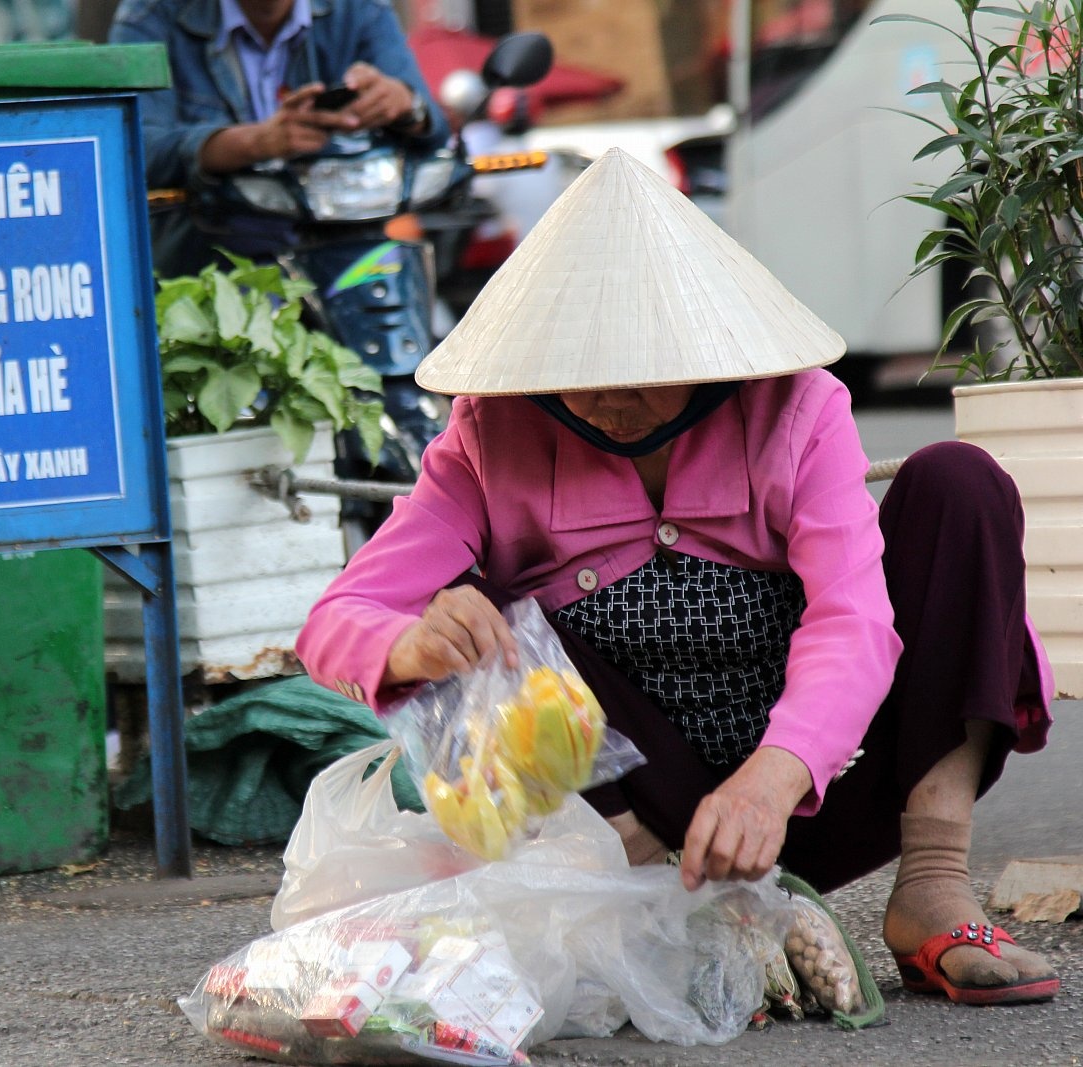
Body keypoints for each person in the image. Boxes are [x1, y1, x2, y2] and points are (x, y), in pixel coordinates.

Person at [295, 147, 1060, 1006]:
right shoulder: (489, 435)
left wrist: (774, 777)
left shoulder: (798, 410)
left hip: (817, 785)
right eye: (580, 375)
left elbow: (853, 618)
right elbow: (337, 617)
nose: (607, 400)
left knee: (961, 483)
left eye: (640, 375)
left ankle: (932, 884)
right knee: (481, 608)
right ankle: (682, 912)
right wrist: (406, 640)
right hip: (639, 827)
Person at [107, 0, 450, 277]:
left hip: (346, 251)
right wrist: (255, 143)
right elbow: (131, 149)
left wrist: (404, 103)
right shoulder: (150, 15)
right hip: (211, 266)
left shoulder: (361, 10)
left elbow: (435, 130)